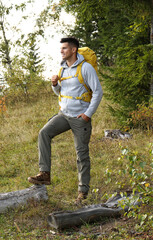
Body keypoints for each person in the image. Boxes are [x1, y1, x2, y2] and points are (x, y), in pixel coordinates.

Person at [28, 37, 103, 203]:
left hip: (80, 118)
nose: (61, 51)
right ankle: (44, 174)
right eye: (60, 48)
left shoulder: (86, 68)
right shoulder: (62, 70)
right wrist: (55, 85)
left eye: (64, 48)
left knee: (81, 155)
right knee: (44, 133)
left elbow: (98, 92)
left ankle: (82, 194)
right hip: (64, 115)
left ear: (74, 50)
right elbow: (60, 93)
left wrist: (87, 114)